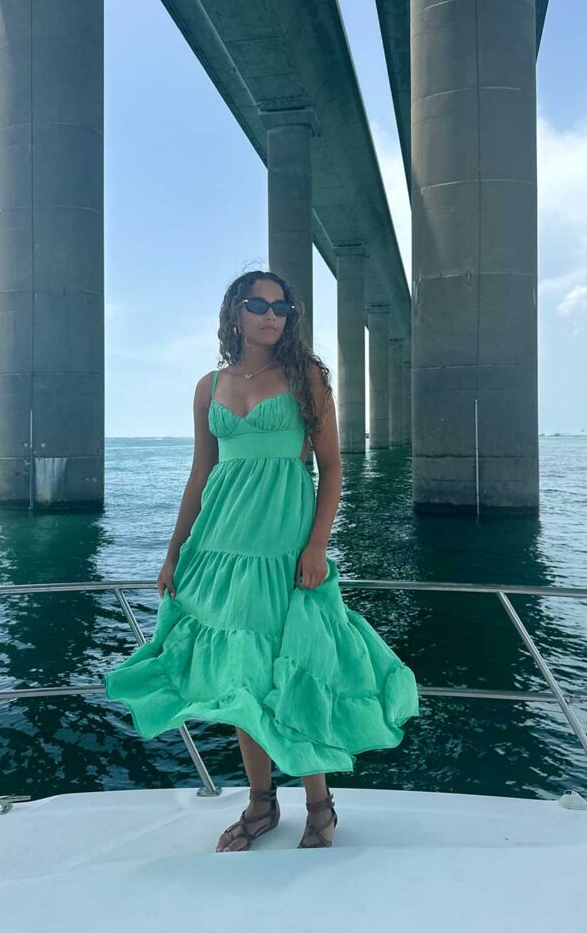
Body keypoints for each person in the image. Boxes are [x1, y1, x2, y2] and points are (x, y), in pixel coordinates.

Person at [103, 269, 420, 850]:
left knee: (295, 672)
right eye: (258, 304)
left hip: (282, 550)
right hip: (221, 549)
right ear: (235, 313)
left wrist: (318, 544)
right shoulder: (208, 386)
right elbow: (201, 474)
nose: (271, 315)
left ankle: (319, 807)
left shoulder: (307, 377)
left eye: (281, 307)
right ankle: (260, 804)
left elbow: (332, 468)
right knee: (240, 680)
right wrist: (175, 552)